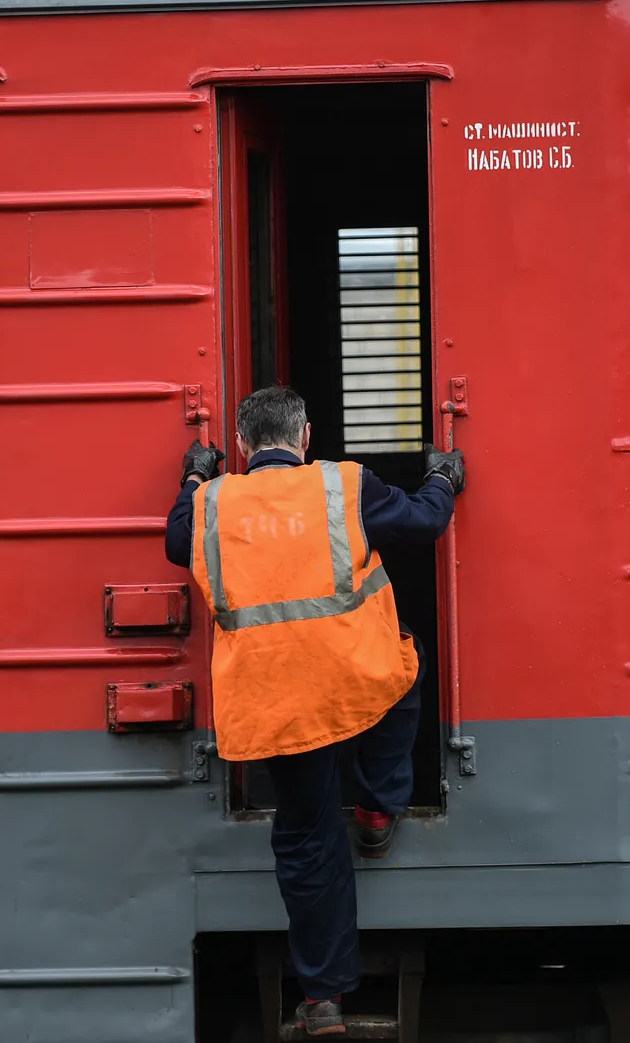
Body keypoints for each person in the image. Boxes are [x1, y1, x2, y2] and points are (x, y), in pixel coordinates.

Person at [164, 386, 465, 1037]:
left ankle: (323, 1000)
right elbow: (422, 524)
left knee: (306, 839)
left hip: (274, 699)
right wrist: (443, 478)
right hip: (357, 680)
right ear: (306, 438)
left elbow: (174, 540)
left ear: (241, 449)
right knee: (404, 668)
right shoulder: (343, 485)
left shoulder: (212, 501)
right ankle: (381, 807)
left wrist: (194, 472)